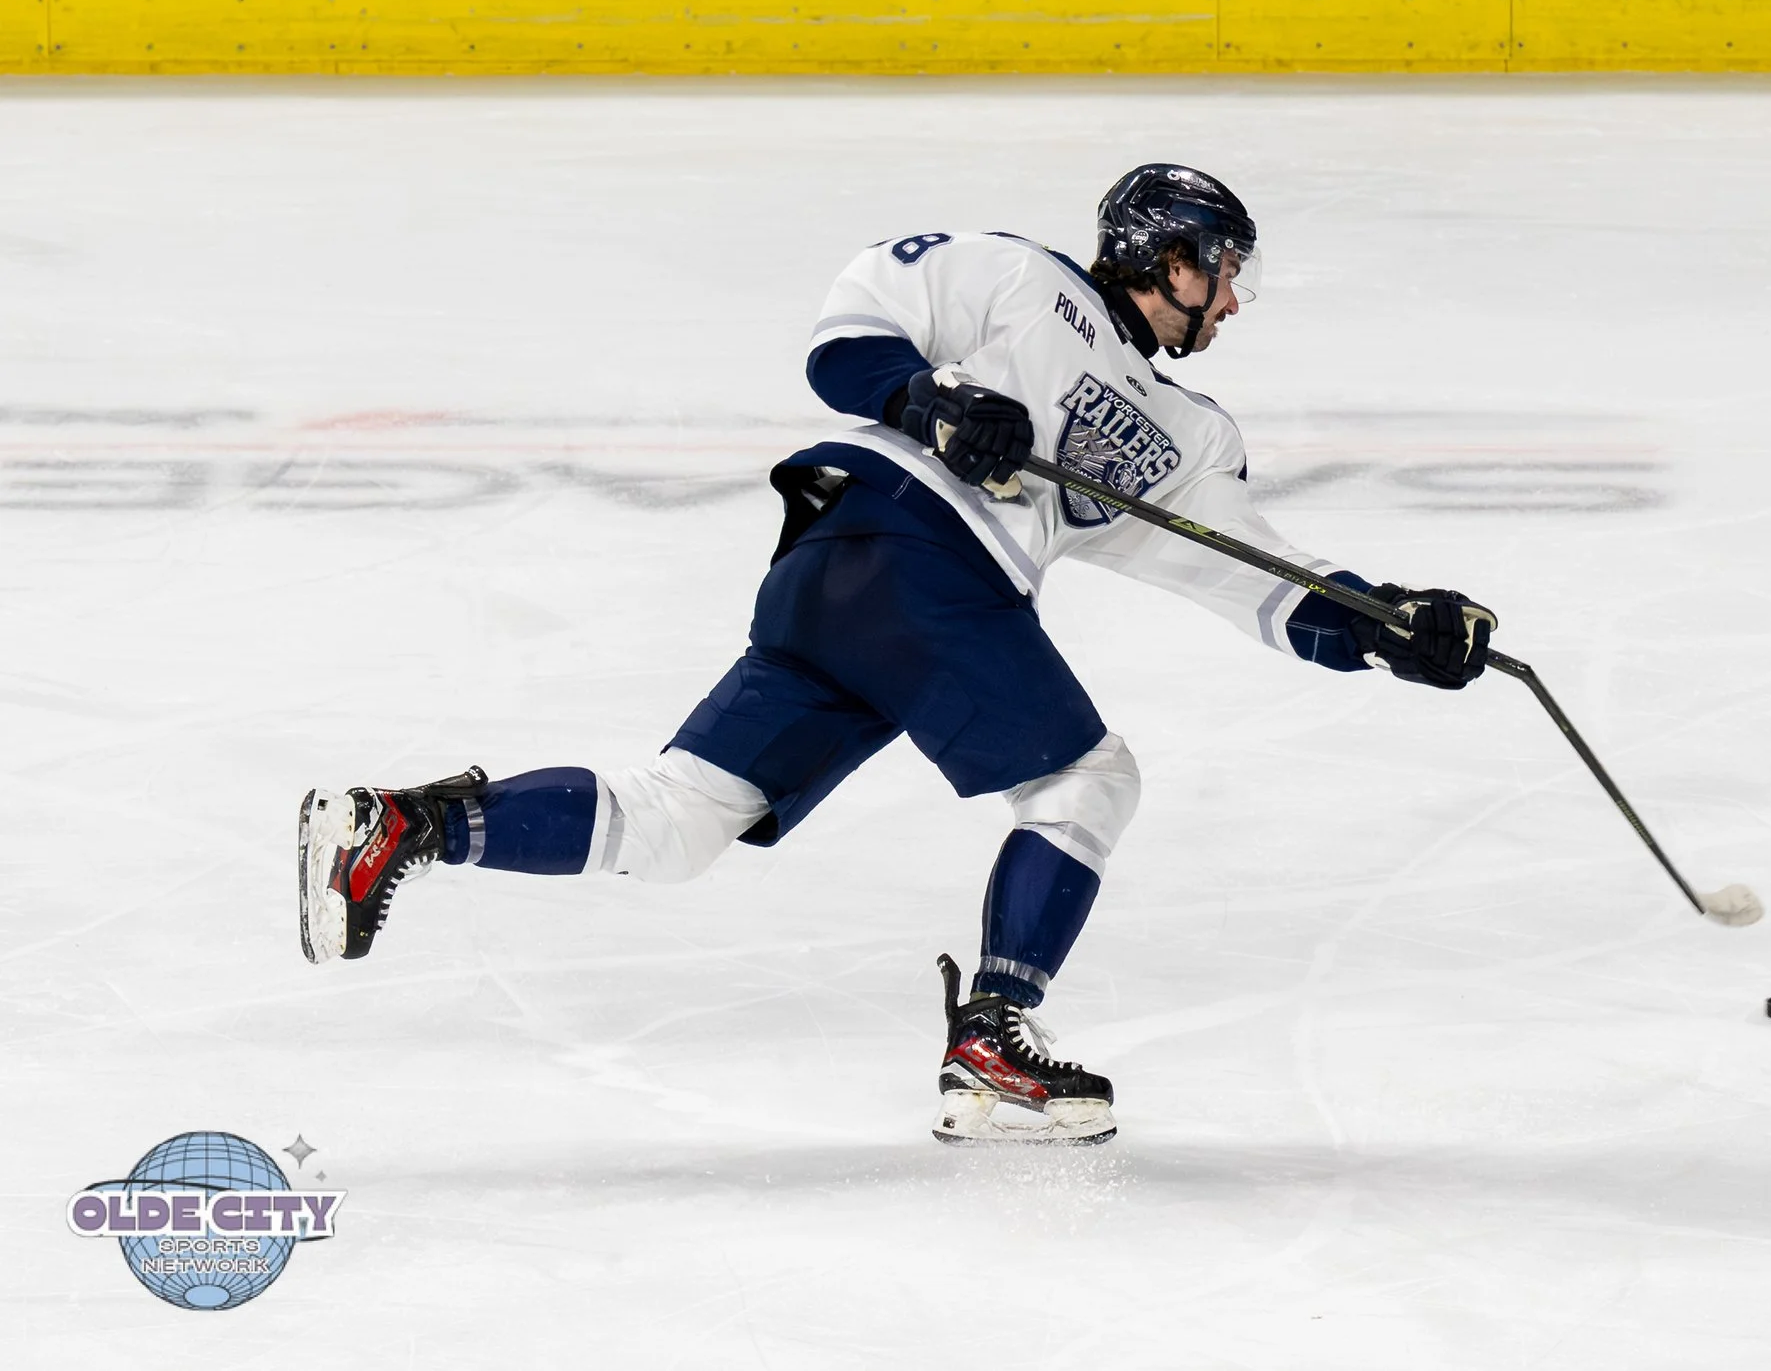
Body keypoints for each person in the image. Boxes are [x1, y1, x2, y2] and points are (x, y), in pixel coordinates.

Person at [296, 165, 1498, 1145]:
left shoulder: (1189, 434)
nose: (1230, 303)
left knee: (676, 826)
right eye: (1223, 271)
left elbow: (1257, 579)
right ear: (1169, 255)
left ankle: (404, 824)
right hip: (905, 544)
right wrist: (925, 400)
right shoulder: (1025, 283)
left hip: (848, 590)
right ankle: (991, 1042)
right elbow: (846, 335)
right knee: (1089, 780)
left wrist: (1391, 626)